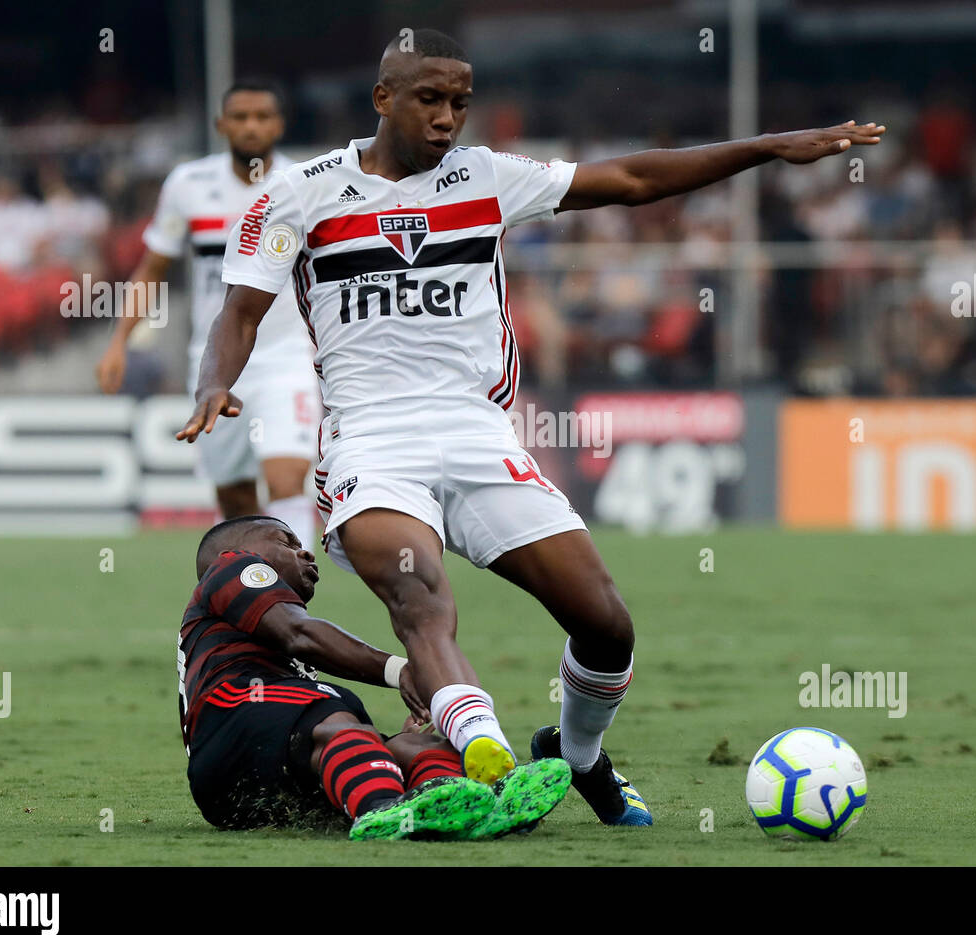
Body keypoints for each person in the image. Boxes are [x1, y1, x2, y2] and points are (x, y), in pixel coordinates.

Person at [177, 28, 885, 827]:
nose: (448, 119)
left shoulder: (488, 178)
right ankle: (489, 752)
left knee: (605, 622)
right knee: (416, 589)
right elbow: (239, 311)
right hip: (371, 440)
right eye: (430, 99)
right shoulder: (297, 196)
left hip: (479, 435)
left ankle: (575, 757)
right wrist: (212, 384)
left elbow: (633, 177)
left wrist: (768, 147)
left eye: (460, 103)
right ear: (384, 98)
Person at [179, 514, 571, 840]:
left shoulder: (272, 670)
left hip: (255, 790)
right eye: (286, 541)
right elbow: (299, 634)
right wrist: (400, 670)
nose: (306, 552)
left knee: (416, 747)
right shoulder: (230, 565)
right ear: (238, 549)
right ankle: (381, 811)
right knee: (331, 710)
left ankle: (469, 809)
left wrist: (407, 735)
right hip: (226, 736)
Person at [98, 80, 321, 547]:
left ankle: (294, 596)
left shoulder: (306, 185)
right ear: (222, 125)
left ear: (279, 124)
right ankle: (253, 591)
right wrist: (119, 341)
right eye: (239, 117)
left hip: (288, 356)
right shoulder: (188, 185)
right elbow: (153, 267)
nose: (251, 126)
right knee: (236, 493)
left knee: (286, 479)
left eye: (262, 116)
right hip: (215, 360)